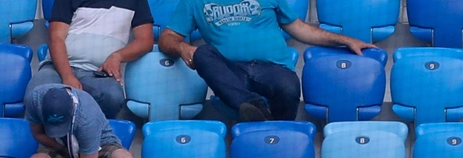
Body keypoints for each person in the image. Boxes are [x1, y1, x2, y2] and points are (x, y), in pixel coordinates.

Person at [157, 0, 377, 121]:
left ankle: (275, 129)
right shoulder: (193, 1)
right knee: (202, 53)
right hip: (230, 73)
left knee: (288, 86)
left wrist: (345, 40)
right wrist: (183, 47)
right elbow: (167, 38)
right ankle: (254, 106)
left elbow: (301, 29)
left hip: (272, 70)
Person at [24, 0, 154, 118]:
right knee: (36, 94)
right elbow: (55, 37)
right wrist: (67, 76)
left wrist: (118, 56)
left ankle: (84, 131)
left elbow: (145, 40)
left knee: (112, 97)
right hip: (58, 68)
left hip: (98, 73)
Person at [23, 83, 137, 158]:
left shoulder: (87, 119)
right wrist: (62, 148)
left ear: (73, 106)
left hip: (99, 143)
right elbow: (38, 133)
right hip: (61, 144)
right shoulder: (35, 99)